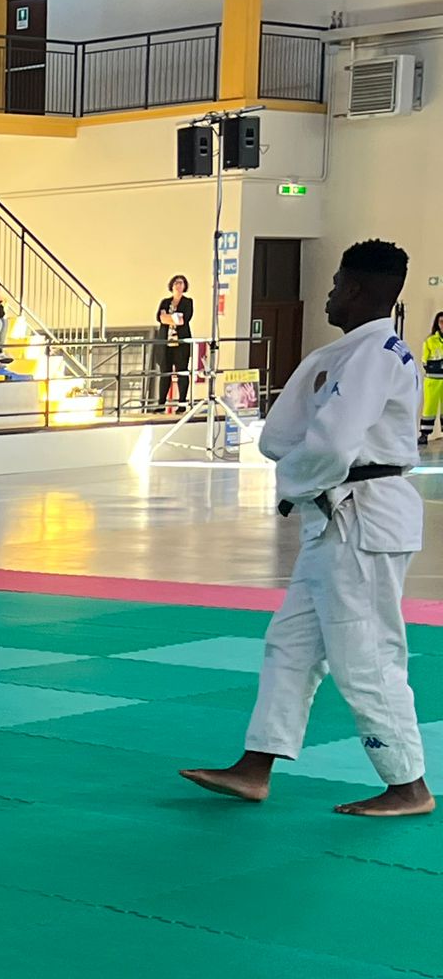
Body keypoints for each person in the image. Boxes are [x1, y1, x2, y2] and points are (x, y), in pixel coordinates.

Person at [181, 240, 431, 818]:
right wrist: (300, 479)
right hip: (334, 518)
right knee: (291, 644)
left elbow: (335, 443)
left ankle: (408, 785)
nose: (330, 291)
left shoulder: (375, 355)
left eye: (338, 282)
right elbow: (276, 437)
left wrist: (295, 484)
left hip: (360, 517)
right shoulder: (341, 354)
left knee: (366, 655)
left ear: (360, 290)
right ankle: (256, 765)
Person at [155, 273, 194, 412]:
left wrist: (168, 317)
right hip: (166, 342)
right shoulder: (165, 302)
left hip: (181, 343)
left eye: (181, 283)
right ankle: (160, 405)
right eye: (176, 283)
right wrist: (173, 318)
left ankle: (182, 404)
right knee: (165, 373)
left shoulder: (188, 302)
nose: (178, 285)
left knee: (182, 372)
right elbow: (160, 318)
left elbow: (183, 320)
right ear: (171, 286)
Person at [422, 310, 443, 447]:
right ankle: (424, 434)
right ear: (437, 324)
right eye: (441, 322)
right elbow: (425, 361)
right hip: (433, 380)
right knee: (429, 407)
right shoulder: (430, 341)